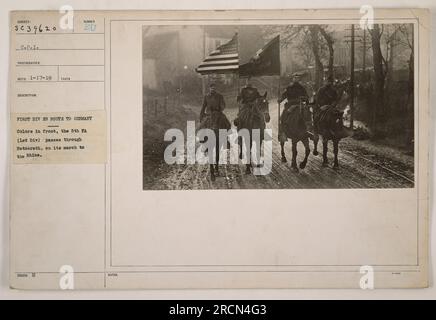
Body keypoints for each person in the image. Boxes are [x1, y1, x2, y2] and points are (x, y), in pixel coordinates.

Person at [278, 73, 309, 142]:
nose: (296, 79)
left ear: (299, 79)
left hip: (299, 104)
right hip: (290, 104)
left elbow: (306, 96)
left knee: (307, 114)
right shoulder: (289, 88)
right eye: (295, 78)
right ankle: (283, 131)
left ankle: (308, 128)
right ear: (293, 79)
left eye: (297, 78)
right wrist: (280, 99)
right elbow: (284, 95)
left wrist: (305, 99)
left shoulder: (302, 88)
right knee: (284, 115)